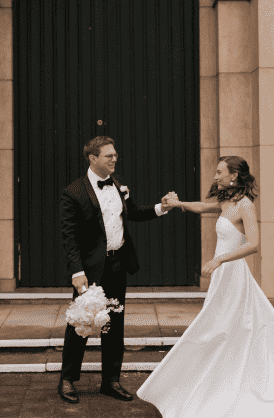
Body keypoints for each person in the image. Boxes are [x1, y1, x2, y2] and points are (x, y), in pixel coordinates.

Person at [136, 156, 274, 417]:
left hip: (233, 274)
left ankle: (221, 382)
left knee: (221, 326)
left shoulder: (245, 205)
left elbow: (254, 244)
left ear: (234, 175)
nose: (215, 177)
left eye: (219, 172)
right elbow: (202, 207)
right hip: (222, 275)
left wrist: (220, 258)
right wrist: (177, 204)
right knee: (221, 327)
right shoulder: (226, 201)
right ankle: (215, 381)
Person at [58, 136, 178, 404]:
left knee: (114, 324)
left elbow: (133, 213)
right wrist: (77, 272)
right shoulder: (73, 192)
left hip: (117, 265)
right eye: (108, 155)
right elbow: (69, 238)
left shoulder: (118, 185)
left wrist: (161, 208)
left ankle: (110, 381)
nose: (114, 159)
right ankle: (67, 379)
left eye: (115, 155)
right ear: (93, 158)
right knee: (80, 324)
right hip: (90, 270)